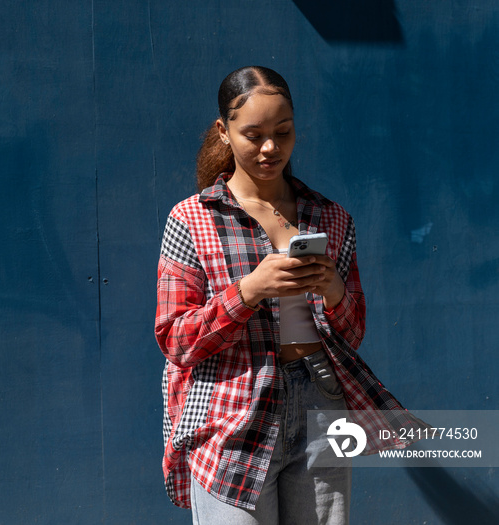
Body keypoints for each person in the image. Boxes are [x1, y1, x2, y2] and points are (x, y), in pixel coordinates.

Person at [155, 66, 423, 524]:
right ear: (223, 132)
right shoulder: (192, 219)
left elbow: (352, 333)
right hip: (231, 411)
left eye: (283, 132)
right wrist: (249, 290)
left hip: (321, 402)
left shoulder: (330, 218)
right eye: (253, 134)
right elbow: (176, 340)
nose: (269, 148)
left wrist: (333, 289)